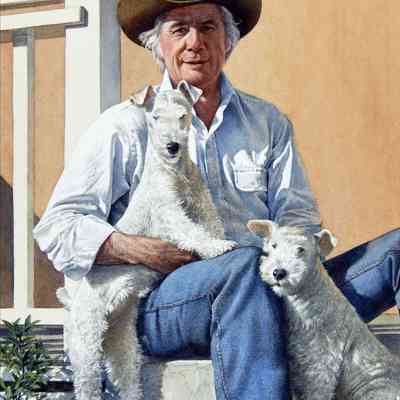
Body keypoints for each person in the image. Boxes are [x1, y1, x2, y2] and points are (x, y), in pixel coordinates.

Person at [34, 1, 400, 399]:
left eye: (208, 27)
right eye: (179, 30)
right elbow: (58, 226)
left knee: (396, 251)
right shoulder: (124, 125)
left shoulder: (267, 122)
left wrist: (298, 266)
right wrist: (143, 250)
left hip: (273, 284)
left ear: (228, 39)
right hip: (165, 306)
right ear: (157, 44)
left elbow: (298, 217)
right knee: (242, 267)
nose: (195, 43)